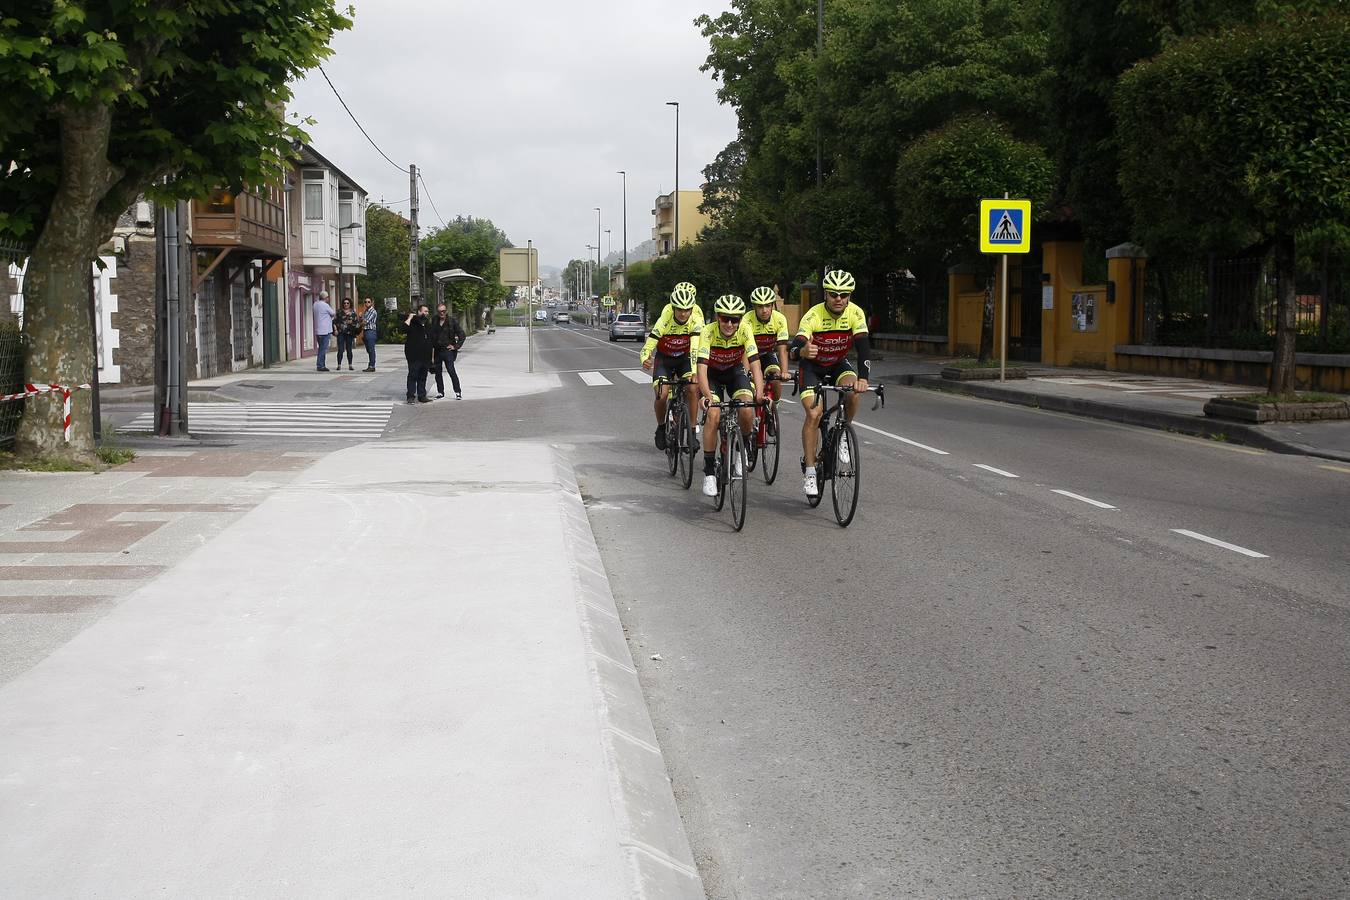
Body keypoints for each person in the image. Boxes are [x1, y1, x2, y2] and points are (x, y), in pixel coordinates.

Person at [790, 270, 872, 498]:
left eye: (844, 294)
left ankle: (844, 432)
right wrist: (803, 350)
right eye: (834, 294)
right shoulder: (813, 315)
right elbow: (794, 347)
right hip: (812, 368)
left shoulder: (855, 313)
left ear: (849, 296)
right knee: (814, 414)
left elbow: (864, 347)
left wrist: (864, 378)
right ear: (826, 294)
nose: (839, 298)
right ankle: (809, 471)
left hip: (837, 363)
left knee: (853, 391)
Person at [696, 294, 764, 497]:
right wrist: (707, 396)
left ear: (740, 320)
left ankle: (741, 452)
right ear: (717, 317)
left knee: (746, 408)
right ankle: (709, 472)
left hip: (735, 372)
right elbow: (700, 369)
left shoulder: (745, 330)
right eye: (725, 318)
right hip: (712, 376)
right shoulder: (707, 332)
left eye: (734, 319)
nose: (729, 323)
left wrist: (759, 393)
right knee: (714, 415)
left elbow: (755, 364)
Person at [639, 282, 704, 451]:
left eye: (687, 310)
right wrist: (645, 357)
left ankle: (691, 432)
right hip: (665, 359)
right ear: (673, 307)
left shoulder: (696, 319)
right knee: (662, 394)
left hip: (684, 358)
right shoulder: (665, 318)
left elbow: (696, 347)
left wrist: (695, 372)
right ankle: (661, 428)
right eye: (679, 309)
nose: (683, 313)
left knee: (692, 387)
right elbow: (650, 343)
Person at [431, 304, 466, 399]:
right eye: (439, 311)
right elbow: (431, 334)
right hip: (437, 350)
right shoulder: (434, 320)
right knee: (437, 372)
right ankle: (440, 391)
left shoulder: (452, 321)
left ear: (446, 311)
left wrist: (455, 346)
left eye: (443, 311)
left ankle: (458, 391)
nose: (442, 313)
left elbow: (462, 335)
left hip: (448, 351)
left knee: (451, 371)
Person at [403, 304, 435, 404]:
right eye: (424, 311)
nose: (426, 313)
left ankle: (422, 395)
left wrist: (432, 357)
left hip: (425, 356)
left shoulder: (428, 324)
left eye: (427, 312)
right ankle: (410, 396)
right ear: (419, 312)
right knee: (413, 375)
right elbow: (403, 329)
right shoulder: (412, 323)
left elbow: (431, 340)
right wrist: (409, 318)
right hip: (414, 355)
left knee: (423, 376)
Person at [334, 298, 360, 371]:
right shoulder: (339, 312)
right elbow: (334, 322)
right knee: (340, 349)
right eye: (345, 303)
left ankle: (350, 365)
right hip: (341, 333)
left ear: (350, 304)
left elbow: (357, 324)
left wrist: (352, 323)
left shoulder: (353, 313)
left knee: (349, 349)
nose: (346, 304)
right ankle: (339, 365)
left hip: (350, 333)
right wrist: (335, 330)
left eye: (347, 303)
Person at [312, 290, 335, 371]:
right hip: (325, 330)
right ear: (326, 298)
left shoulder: (315, 304)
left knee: (321, 348)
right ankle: (320, 365)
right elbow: (333, 313)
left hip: (318, 330)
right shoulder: (325, 305)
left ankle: (322, 364)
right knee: (323, 349)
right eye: (328, 297)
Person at [360, 297, 379, 372]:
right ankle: (370, 364)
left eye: (368, 302)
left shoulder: (373, 311)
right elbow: (362, 321)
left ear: (371, 303)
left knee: (371, 349)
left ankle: (372, 366)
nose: (366, 303)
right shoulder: (366, 311)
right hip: (366, 331)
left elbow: (365, 322)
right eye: (365, 302)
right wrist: (361, 317)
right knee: (368, 349)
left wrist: (361, 322)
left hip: (371, 331)